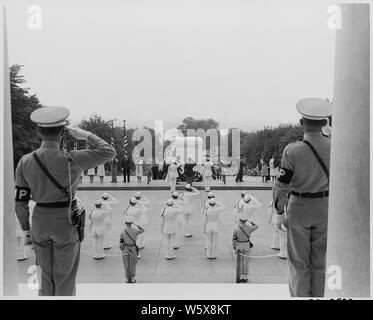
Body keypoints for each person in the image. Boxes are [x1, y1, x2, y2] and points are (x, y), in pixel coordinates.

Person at [14, 106, 116, 295]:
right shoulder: (73, 159)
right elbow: (108, 152)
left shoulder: (25, 161)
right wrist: (86, 134)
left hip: (39, 222)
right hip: (65, 221)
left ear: (38, 131)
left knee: (43, 276)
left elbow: (20, 203)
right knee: (65, 276)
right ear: (63, 132)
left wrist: (26, 230)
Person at [272, 97, 332, 297]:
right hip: (326, 206)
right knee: (320, 262)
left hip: (299, 207)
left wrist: (279, 210)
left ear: (301, 123)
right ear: (325, 123)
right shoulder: (336, 147)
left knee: (298, 263)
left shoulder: (293, 150)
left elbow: (282, 185)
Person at [232, 212, 258, 282]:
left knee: (239, 261)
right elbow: (256, 226)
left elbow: (234, 240)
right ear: (246, 220)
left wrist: (234, 248)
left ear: (240, 220)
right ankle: (245, 276)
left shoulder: (236, 229)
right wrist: (251, 221)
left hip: (239, 245)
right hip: (247, 245)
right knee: (246, 261)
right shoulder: (249, 228)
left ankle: (240, 275)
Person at [120, 215, 144, 283]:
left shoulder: (123, 231)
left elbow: (121, 242)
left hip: (125, 248)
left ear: (125, 223)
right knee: (133, 263)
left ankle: (127, 278)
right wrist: (136, 224)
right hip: (133, 248)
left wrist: (122, 248)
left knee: (126, 264)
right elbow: (142, 230)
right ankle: (133, 278)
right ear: (131, 223)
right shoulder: (135, 230)